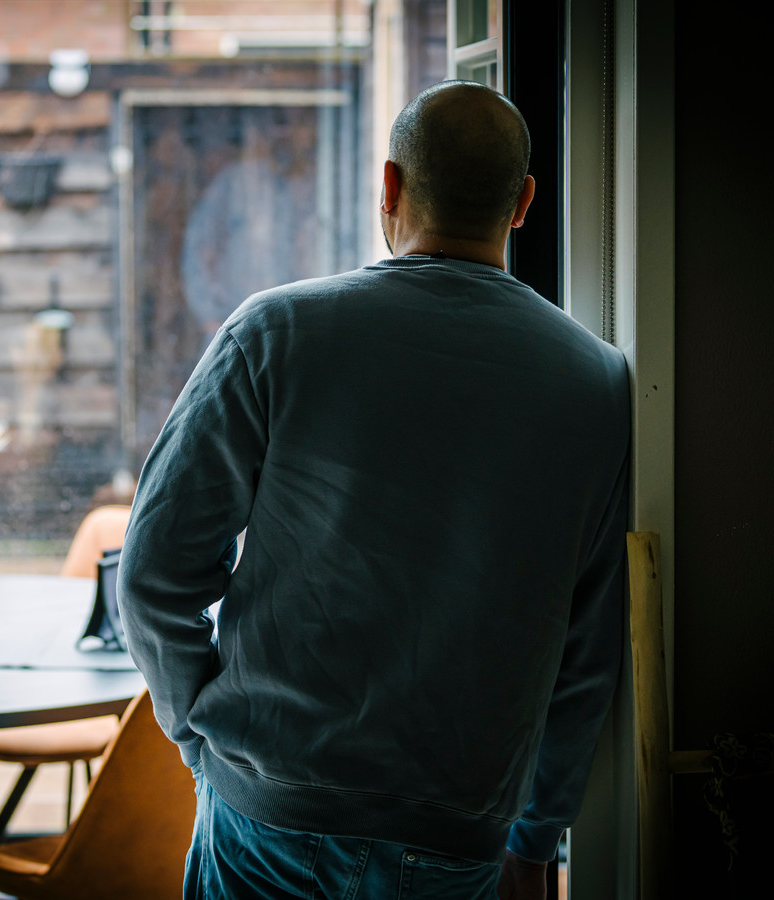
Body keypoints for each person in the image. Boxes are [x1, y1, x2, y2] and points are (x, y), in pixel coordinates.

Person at [117, 80, 630, 900]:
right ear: (524, 203)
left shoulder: (276, 332)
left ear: (388, 186)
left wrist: (204, 746)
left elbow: (153, 573)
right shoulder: (596, 383)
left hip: (265, 819)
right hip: (455, 840)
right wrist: (534, 841)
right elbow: (587, 648)